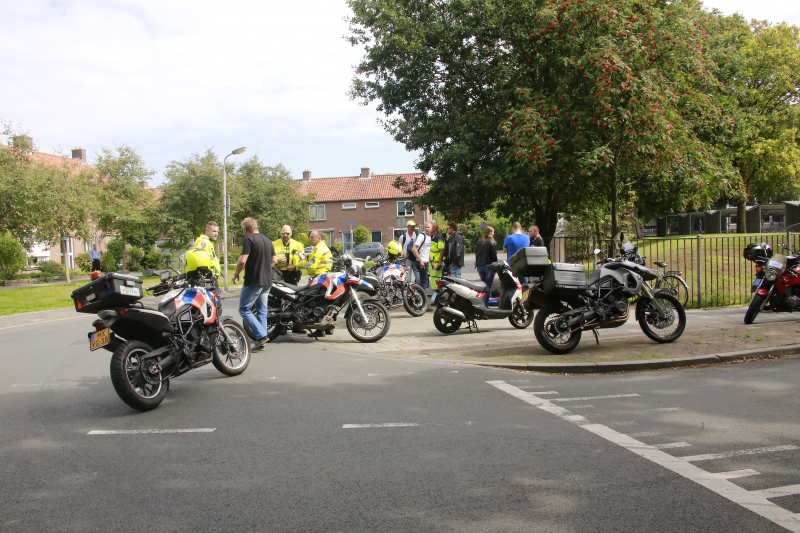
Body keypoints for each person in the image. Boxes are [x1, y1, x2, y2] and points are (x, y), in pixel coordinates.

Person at [233, 218, 276, 351]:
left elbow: (242, 261)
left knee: (244, 309)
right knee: (262, 311)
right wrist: (264, 269)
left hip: (253, 281)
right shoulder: (268, 241)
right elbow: (274, 260)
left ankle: (261, 336)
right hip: (267, 281)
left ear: (246, 229)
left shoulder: (249, 240)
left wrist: (236, 274)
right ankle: (261, 342)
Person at [303, 231, 334, 337]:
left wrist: (301, 263)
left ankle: (320, 330)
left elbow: (312, 266)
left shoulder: (320, 248)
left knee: (314, 303)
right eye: (310, 237)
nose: (310, 239)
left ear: (319, 238)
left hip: (319, 279)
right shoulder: (319, 247)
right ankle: (328, 328)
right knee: (323, 303)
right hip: (323, 278)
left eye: (312, 237)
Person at [475, 226, 498, 305]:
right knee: (488, 287)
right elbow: (494, 256)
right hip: (488, 266)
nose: (494, 234)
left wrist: (477, 264)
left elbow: (477, 254)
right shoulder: (491, 242)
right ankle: (485, 305)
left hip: (480, 266)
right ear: (490, 233)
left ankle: (481, 303)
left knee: (482, 286)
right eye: (493, 232)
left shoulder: (479, 241)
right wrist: (495, 269)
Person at [411, 221, 432, 289]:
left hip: (426, 262)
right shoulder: (421, 236)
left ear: (431, 227)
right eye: (425, 227)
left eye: (428, 227)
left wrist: (431, 262)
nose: (427, 229)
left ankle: (420, 297)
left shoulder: (430, 237)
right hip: (421, 263)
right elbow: (414, 249)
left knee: (425, 282)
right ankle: (421, 298)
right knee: (423, 283)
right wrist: (421, 260)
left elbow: (427, 251)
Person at [429, 222, 446, 291]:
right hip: (432, 262)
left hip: (436, 262)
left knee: (437, 279)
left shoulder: (439, 237)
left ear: (434, 228)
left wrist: (440, 262)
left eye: (430, 227)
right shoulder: (432, 237)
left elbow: (442, 250)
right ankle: (435, 293)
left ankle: (438, 294)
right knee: (433, 278)